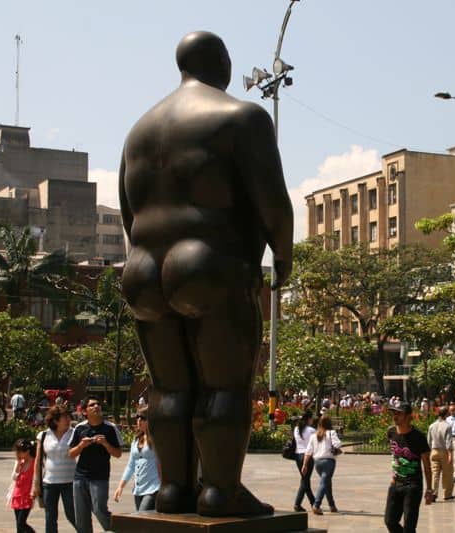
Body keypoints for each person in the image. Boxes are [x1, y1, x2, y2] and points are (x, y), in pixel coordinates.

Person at [119, 31, 293, 516]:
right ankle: (219, 490)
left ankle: (174, 489)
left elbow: (129, 214)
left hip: (143, 270)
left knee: (169, 389)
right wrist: (283, 257)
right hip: (210, 263)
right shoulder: (241, 117)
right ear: (220, 63)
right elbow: (272, 203)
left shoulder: (138, 131)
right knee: (224, 386)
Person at [67, 396, 122, 533]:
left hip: (100, 477)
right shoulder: (79, 428)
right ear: (85, 412)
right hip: (80, 477)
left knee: (99, 509)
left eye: (98, 404)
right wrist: (81, 445)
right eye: (92, 405)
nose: (96, 406)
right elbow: (71, 454)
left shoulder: (110, 428)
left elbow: (118, 453)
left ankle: (116, 529)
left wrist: (105, 444)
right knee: (81, 514)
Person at [384, 400, 432, 533]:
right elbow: (395, 456)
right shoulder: (391, 432)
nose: (395, 416)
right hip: (396, 483)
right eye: (394, 413)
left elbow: (427, 466)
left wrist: (429, 489)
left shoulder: (418, 437)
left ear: (408, 416)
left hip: (413, 486)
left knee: (409, 527)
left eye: (399, 413)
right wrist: (393, 474)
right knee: (390, 521)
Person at [32, 405, 76, 533]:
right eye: (65, 417)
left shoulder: (74, 433)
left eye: (69, 416)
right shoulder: (44, 435)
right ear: (56, 420)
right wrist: (36, 484)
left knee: (72, 514)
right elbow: (38, 460)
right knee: (50, 517)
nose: (68, 419)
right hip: (49, 482)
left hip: (70, 481)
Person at [115, 408, 161, 510]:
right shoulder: (136, 440)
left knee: (142, 514)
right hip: (138, 489)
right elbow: (130, 465)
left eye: (143, 418)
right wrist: (121, 486)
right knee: (143, 521)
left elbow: (162, 463)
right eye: (137, 417)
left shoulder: (157, 439)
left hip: (153, 488)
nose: (139, 420)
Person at [427, 406, 454, 501]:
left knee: (435, 473)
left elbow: (429, 441)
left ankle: (434, 493)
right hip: (444, 452)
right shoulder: (448, 426)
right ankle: (447, 494)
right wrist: (450, 454)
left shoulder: (432, 425)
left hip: (434, 451)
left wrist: (431, 451)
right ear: (446, 414)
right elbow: (448, 442)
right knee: (447, 474)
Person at [11, 438, 37, 533]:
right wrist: (18, 464)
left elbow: (36, 478)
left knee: (21, 523)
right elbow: (14, 477)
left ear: (27, 451)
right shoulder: (20, 462)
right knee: (18, 526)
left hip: (27, 496)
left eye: (19, 452)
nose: (17, 454)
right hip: (17, 495)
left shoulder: (35, 463)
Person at [293, 411, 316, 512]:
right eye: (312, 418)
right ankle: (298, 504)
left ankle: (314, 503)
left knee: (304, 480)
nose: (313, 420)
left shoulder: (296, 429)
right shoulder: (311, 430)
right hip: (307, 456)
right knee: (305, 481)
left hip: (298, 456)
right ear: (308, 419)